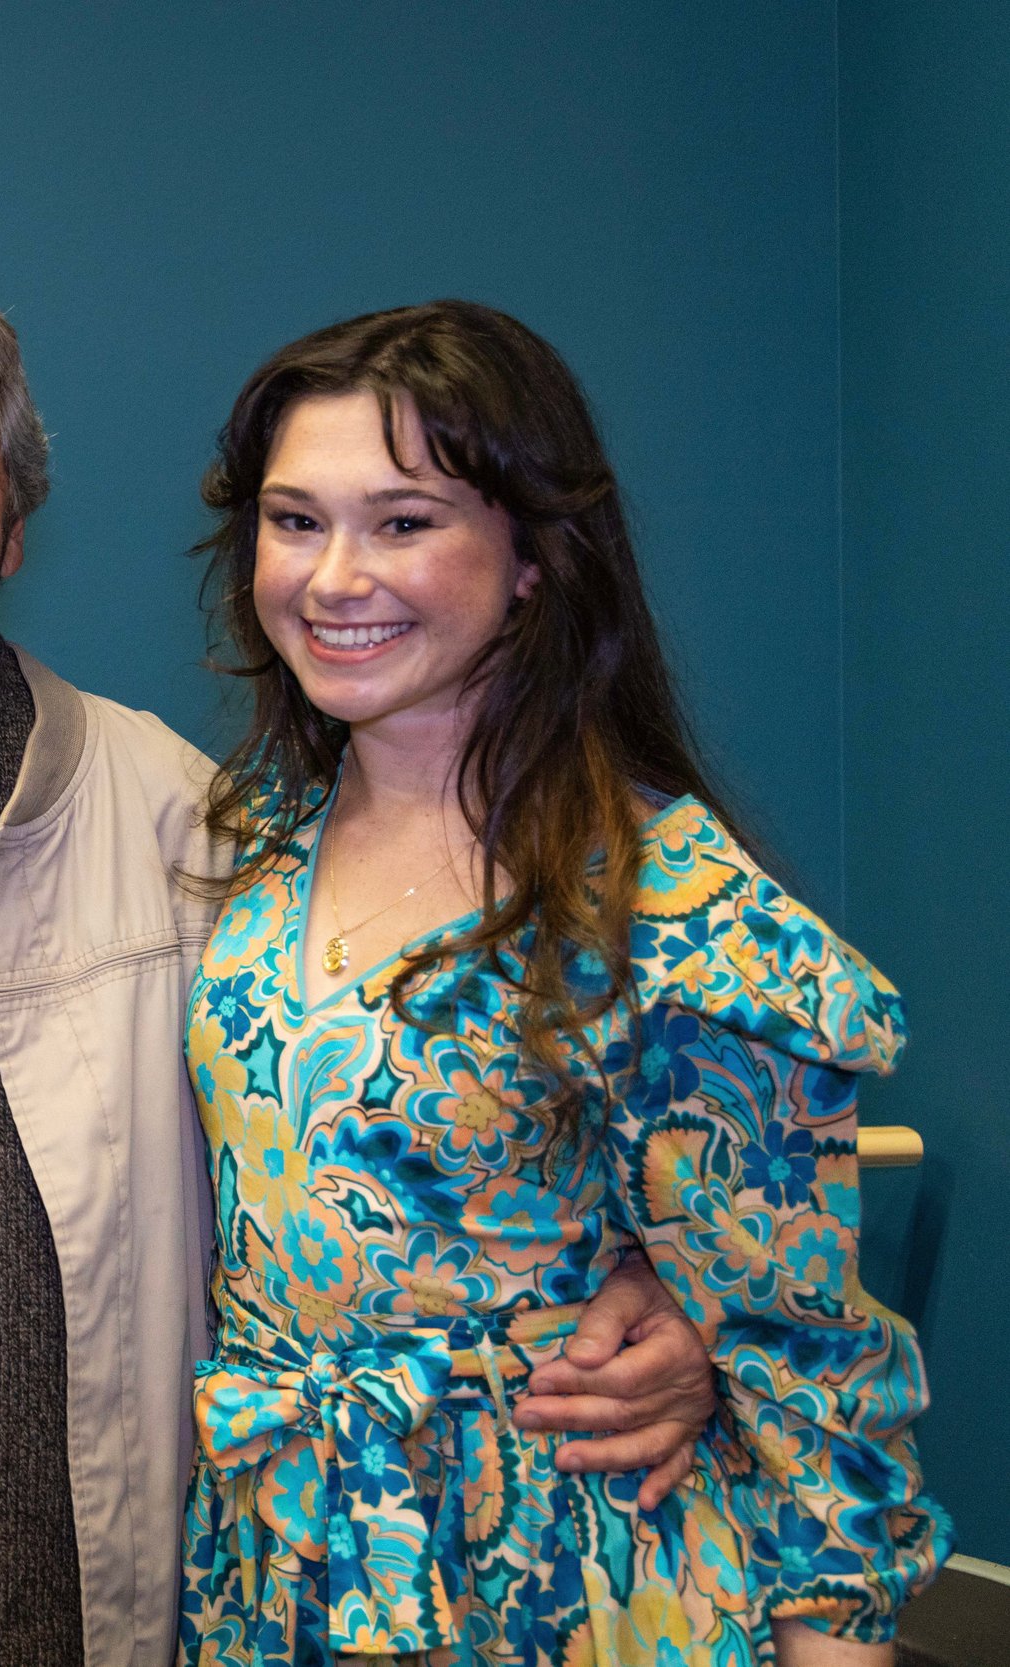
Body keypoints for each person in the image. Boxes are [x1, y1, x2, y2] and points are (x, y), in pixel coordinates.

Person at [0, 249, 716, 1667]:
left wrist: (662, 1284)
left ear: (12, 527)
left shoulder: (197, 835)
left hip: (75, 1613)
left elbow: (392, 1136)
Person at [176, 300, 951, 1665]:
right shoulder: (246, 850)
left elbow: (816, 1396)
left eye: (404, 521)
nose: (335, 574)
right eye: (296, 520)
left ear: (532, 557)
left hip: (562, 1587)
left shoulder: (666, 906)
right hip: (280, 1572)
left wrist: (698, 1312)